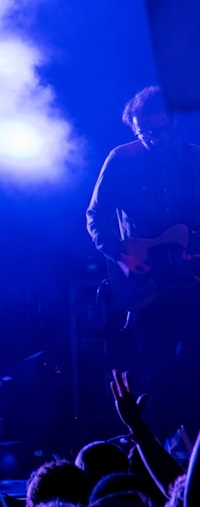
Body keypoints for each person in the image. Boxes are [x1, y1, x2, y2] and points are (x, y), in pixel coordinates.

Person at [86, 85, 200, 431]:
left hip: (189, 278)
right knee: (156, 368)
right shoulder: (121, 159)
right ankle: (160, 446)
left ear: (172, 124)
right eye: (142, 130)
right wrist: (120, 257)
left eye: (157, 129)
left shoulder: (194, 159)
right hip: (143, 281)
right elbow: (96, 216)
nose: (151, 136)